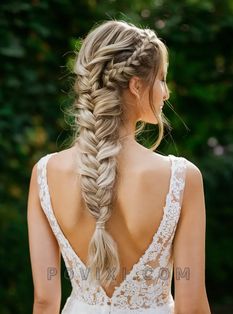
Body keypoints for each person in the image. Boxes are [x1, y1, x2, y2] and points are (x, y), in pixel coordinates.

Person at [27, 19, 211, 314]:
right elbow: (191, 306)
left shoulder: (45, 174)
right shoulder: (181, 177)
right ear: (136, 85)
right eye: (161, 79)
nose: (166, 93)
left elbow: (44, 300)